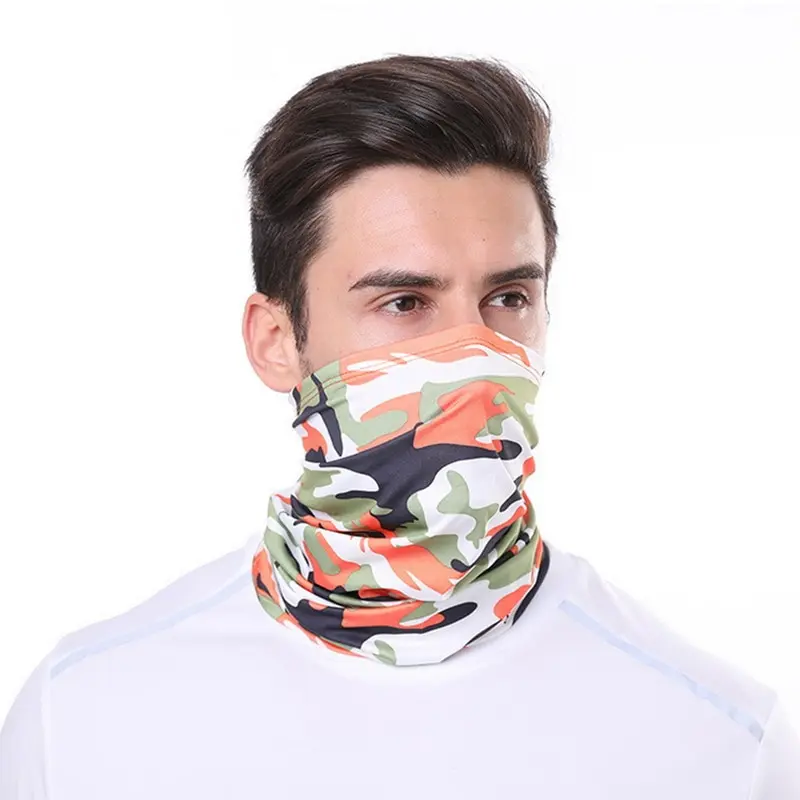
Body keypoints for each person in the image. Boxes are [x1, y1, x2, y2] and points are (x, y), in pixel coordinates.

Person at [1, 53, 798, 799]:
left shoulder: (720, 740)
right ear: (276, 341)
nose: (473, 353)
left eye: (508, 299)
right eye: (405, 302)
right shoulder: (84, 716)